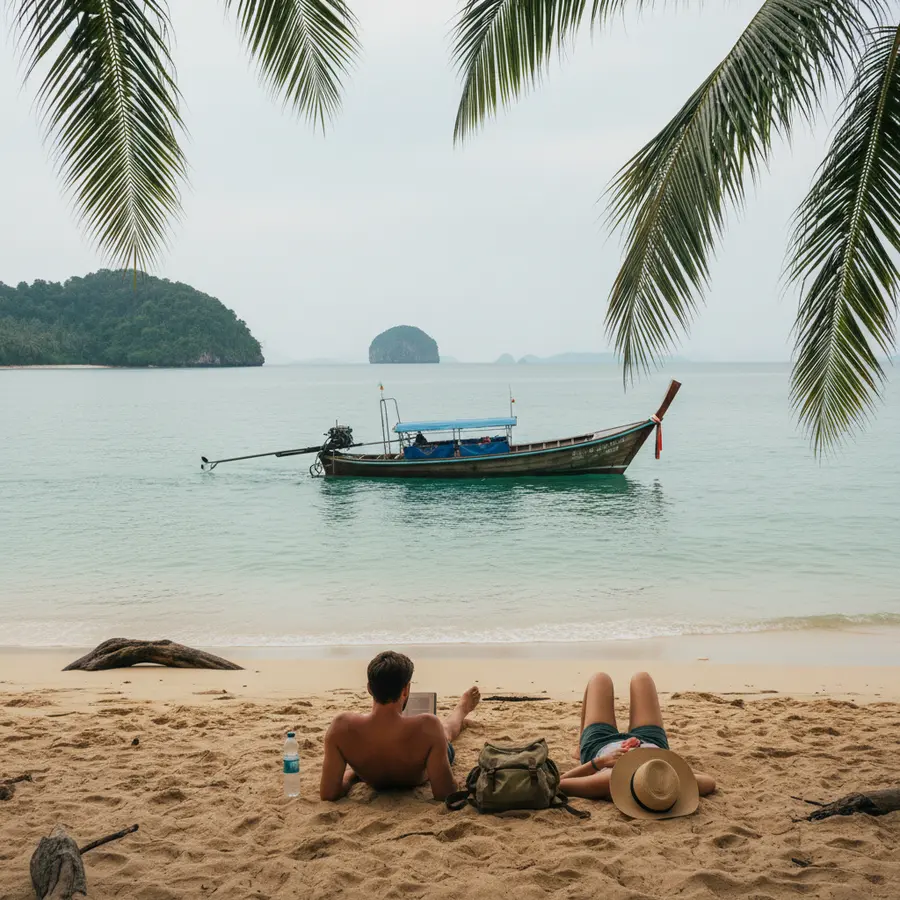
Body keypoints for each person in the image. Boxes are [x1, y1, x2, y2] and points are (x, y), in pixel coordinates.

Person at [319, 650, 480, 801]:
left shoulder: (341, 727)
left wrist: (352, 775)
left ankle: (356, 772)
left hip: (370, 772)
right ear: (406, 690)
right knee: (444, 731)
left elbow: (329, 794)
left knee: (438, 731)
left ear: (369, 688)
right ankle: (461, 709)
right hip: (417, 771)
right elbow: (445, 793)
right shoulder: (428, 725)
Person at [559, 671, 716, 801]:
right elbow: (710, 782)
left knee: (600, 679)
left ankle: (580, 748)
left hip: (601, 744)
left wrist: (600, 762)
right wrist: (666, 762)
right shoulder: (667, 782)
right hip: (652, 742)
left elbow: (559, 783)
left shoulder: (610, 780)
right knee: (642, 678)